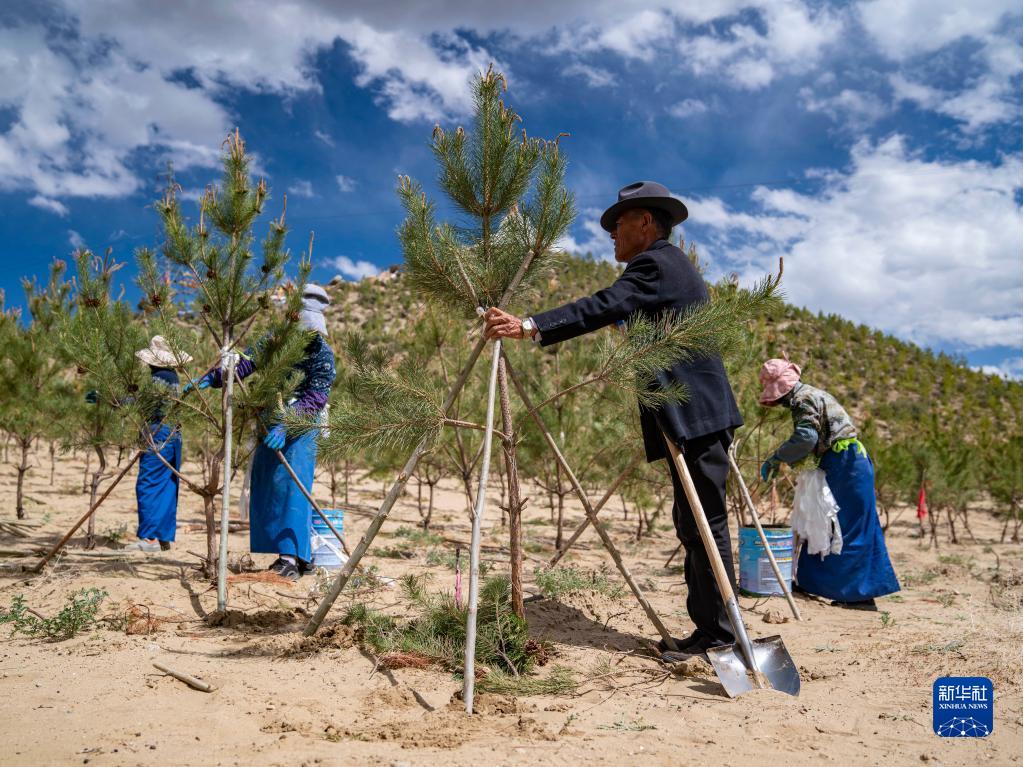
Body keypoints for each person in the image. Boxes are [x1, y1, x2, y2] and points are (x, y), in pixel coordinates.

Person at [485, 181, 744, 660]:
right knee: (694, 524)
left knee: (705, 524)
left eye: (618, 224)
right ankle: (711, 628)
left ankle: (723, 636)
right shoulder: (668, 268)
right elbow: (628, 316)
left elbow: (606, 302)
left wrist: (530, 325)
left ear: (645, 222)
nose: (611, 234)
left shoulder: (656, 263)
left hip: (696, 414)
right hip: (696, 415)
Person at [196, 284, 336, 581]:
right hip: (269, 419)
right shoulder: (274, 341)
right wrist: (215, 377)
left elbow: (315, 397)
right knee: (268, 485)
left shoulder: (322, 354)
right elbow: (246, 364)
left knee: (292, 487)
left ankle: (290, 558)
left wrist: (287, 425)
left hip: (302, 425)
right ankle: (300, 555)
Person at [758, 357, 900, 608]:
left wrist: (778, 457)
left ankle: (859, 596)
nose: (778, 403)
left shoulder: (802, 400)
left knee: (844, 527)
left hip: (846, 464)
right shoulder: (812, 394)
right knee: (829, 524)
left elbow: (806, 437)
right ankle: (816, 584)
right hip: (848, 461)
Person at [126, 336, 189, 552]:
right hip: (173, 433)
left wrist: (111, 399)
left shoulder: (159, 377)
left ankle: (150, 538)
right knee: (166, 484)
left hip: (159, 432)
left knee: (149, 483)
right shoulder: (172, 376)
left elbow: (146, 404)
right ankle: (162, 536)